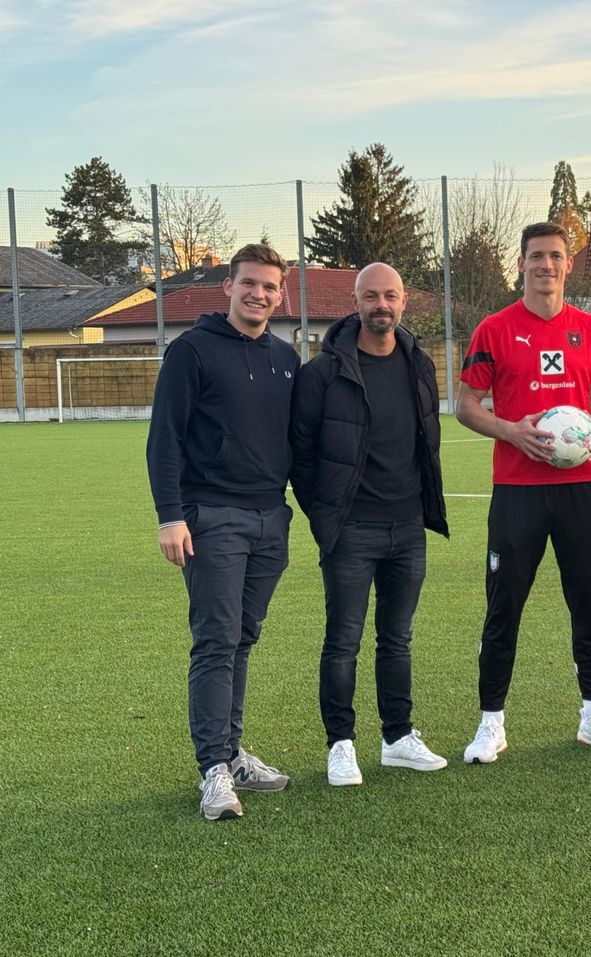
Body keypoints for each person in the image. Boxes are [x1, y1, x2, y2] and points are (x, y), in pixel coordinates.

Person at [455, 221, 591, 763]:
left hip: (582, 488)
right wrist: (512, 431)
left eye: (556, 256)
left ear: (567, 264)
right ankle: (492, 724)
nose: (546, 266)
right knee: (503, 605)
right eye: (537, 256)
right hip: (518, 490)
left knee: (589, 603)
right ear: (522, 263)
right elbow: (466, 403)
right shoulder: (494, 328)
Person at [146, 243, 299, 821]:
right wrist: (171, 516)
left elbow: (295, 444)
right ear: (228, 288)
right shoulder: (191, 351)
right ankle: (213, 768)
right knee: (216, 640)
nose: (259, 294)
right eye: (249, 284)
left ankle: (233, 753)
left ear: (280, 294)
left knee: (243, 638)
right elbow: (164, 439)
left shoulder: (287, 358)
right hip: (212, 518)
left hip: (270, 520)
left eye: (270, 286)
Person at [290, 263, 450, 786]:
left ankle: (398, 737)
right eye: (371, 296)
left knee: (397, 639)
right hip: (351, 531)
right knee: (343, 641)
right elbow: (302, 456)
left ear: (404, 302)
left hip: (407, 528)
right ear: (355, 302)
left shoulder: (419, 364)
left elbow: (427, 442)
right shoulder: (322, 372)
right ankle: (341, 745)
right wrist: (326, 517)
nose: (382, 305)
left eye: (391, 296)